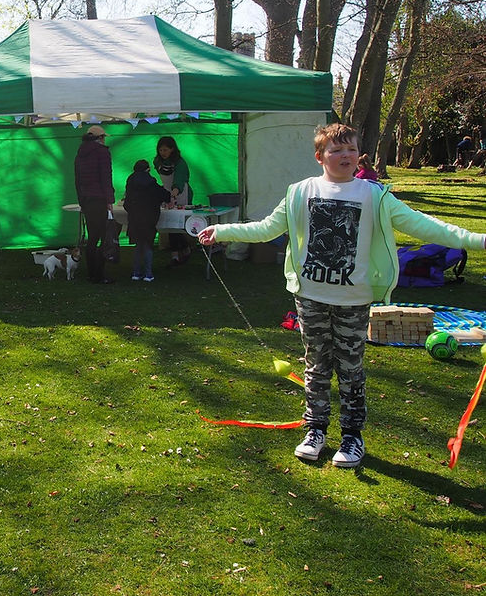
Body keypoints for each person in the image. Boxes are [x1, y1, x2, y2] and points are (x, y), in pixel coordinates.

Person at [197, 123, 486, 469]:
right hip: (310, 297)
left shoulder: (374, 195)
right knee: (316, 367)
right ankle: (315, 429)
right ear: (320, 157)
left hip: (353, 300)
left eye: (350, 148)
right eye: (336, 150)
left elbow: (425, 226)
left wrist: (476, 239)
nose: (345, 155)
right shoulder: (299, 192)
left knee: (350, 370)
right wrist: (223, 230)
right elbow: (266, 228)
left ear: (358, 154)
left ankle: (352, 436)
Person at [74, 125, 115, 284]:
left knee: (92, 238)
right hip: (99, 200)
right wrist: (109, 200)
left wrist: (81, 201)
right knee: (104, 239)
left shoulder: (80, 154)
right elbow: (106, 177)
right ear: (100, 138)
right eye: (104, 137)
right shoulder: (102, 153)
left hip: (87, 200)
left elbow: (77, 180)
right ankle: (100, 274)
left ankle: (91, 273)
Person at [122, 159, 171, 281]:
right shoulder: (151, 182)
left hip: (135, 218)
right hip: (149, 218)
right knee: (148, 244)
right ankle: (148, 274)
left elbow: (126, 203)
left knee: (138, 245)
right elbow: (164, 195)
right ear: (148, 169)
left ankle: (136, 273)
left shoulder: (130, 181)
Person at [153, 136, 192, 267]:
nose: (162, 152)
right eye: (160, 150)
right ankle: (177, 254)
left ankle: (182, 251)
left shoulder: (180, 163)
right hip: (167, 192)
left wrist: (173, 196)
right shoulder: (157, 161)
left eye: (165, 150)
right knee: (169, 223)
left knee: (177, 224)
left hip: (180, 194)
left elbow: (179, 181)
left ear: (172, 149)